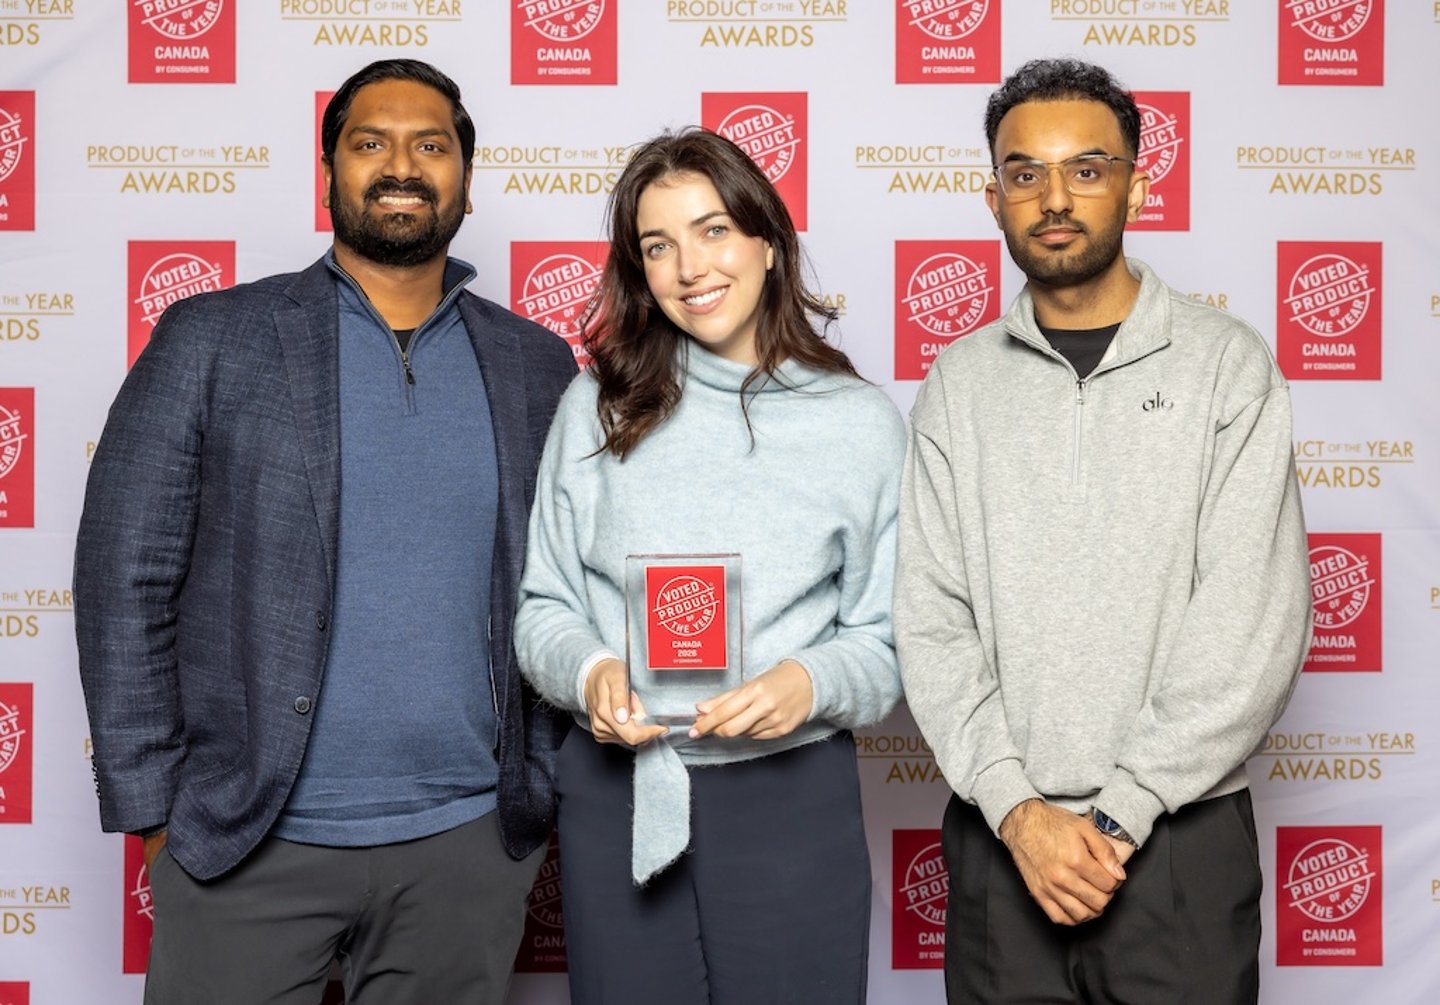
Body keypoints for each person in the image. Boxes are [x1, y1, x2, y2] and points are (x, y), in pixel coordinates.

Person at [74, 59, 576, 1004]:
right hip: (244, 843)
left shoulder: (535, 364)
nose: (402, 165)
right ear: (328, 174)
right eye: (369, 142)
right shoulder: (215, 336)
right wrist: (156, 817)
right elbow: (123, 572)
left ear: (465, 179)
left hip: (465, 849)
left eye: (431, 145)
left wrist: (536, 787)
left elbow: (565, 586)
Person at [894, 58, 1312, 1003]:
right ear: (992, 194)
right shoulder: (958, 385)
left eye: (1087, 168)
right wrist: (1019, 811)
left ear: (1136, 181)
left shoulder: (1227, 368)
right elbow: (930, 618)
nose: (1054, 198)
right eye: (1024, 173)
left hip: (1179, 843)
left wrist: (1118, 817)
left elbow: (1255, 621)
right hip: (1006, 843)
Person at [514, 127, 905, 1004]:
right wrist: (590, 671)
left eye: (714, 229)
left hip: (791, 795)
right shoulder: (596, 407)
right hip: (620, 790)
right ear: (638, 269)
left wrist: (812, 678)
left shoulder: (860, 424)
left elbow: (889, 640)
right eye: (659, 245)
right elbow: (543, 607)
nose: (690, 266)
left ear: (768, 241)